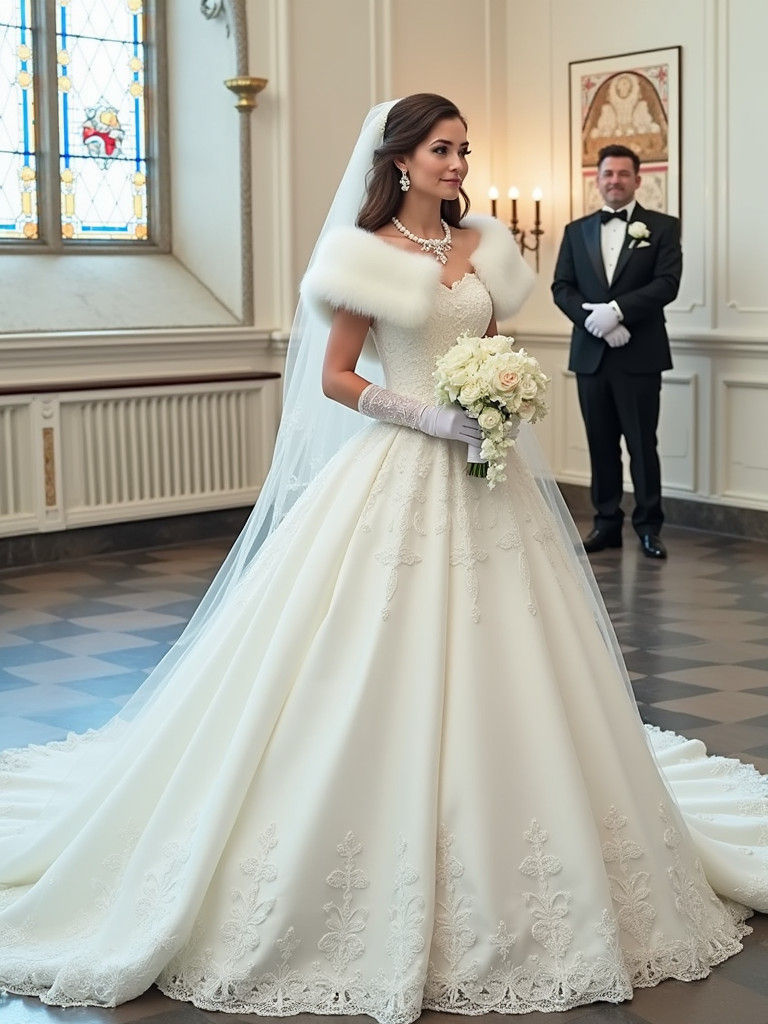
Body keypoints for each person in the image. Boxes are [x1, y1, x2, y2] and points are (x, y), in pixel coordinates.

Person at [0, 96, 765, 1023]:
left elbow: (489, 344)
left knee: (522, 659)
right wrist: (435, 417)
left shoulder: (483, 243)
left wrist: (498, 398)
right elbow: (338, 376)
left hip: (490, 480)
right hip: (402, 466)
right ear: (400, 159)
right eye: (442, 149)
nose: (458, 162)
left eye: (463, 149)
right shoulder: (363, 257)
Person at [551, 144, 682, 559]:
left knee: (643, 444)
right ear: (598, 179)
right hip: (591, 356)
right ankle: (606, 523)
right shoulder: (576, 230)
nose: (615, 181)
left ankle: (648, 526)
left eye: (624, 174)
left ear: (637, 180)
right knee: (600, 442)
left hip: (641, 355)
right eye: (608, 174)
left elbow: (667, 284)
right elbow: (562, 287)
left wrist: (619, 312)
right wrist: (595, 321)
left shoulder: (663, 227)